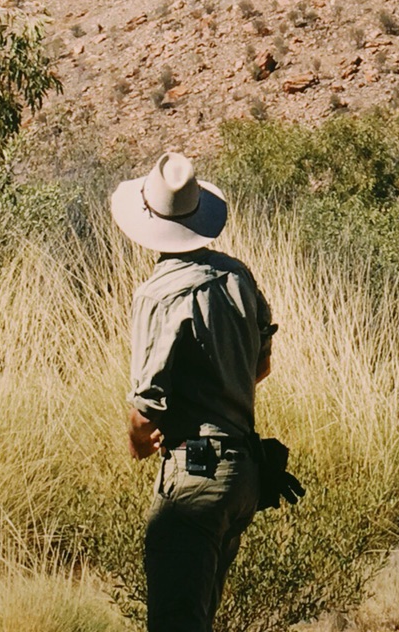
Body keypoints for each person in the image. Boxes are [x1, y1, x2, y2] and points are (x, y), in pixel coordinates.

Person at [113, 151, 276, 632]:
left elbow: (146, 409)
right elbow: (261, 364)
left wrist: (139, 443)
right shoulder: (237, 275)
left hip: (196, 471)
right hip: (243, 474)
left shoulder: (158, 294)